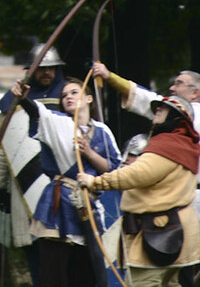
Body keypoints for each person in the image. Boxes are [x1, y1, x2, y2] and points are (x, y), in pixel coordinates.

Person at [78, 95, 200, 287]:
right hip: (173, 229)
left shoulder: (169, 145)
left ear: (176, 116)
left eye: (163, 108)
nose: (157, 110)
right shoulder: (181, 144)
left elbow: (135, 174)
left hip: (160, 230)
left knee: (143, 283)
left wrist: (94, 182)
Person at [12, 77, 121, 287]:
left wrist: (89, 153)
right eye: (64, 95)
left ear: (89, 98)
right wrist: (24, 99)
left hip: (92, 206)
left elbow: (113, 168)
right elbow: (38, 113)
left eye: (73, 92)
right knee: (54, 273)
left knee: (87, 272)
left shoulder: (102, 130)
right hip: (60, 204)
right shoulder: (59, 122)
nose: (68, 97)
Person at [0, 44, 67, 287]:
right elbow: (3, 143)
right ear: (30, 70)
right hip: (25, 187)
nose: (46, 73)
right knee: (35, 255)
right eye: (41, 68)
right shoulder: (15, 102)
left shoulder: (69, 97)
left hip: (64, 190)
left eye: (51, 68)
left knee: (66, 255)